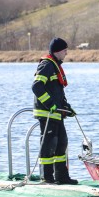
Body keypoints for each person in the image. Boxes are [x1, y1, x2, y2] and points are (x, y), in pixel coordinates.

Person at [31, 37, 78, 184]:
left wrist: (66, 107)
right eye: (65, 50)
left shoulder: (56, 66)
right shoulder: (46, 65)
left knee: (61, 143)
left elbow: (57, 91)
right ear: (57, 51)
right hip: (47, 113)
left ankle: (62, 176)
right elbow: (37, 86)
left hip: (57, 113)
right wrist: (50, 104)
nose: (66, 53)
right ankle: (47, 178)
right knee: (49, 145)